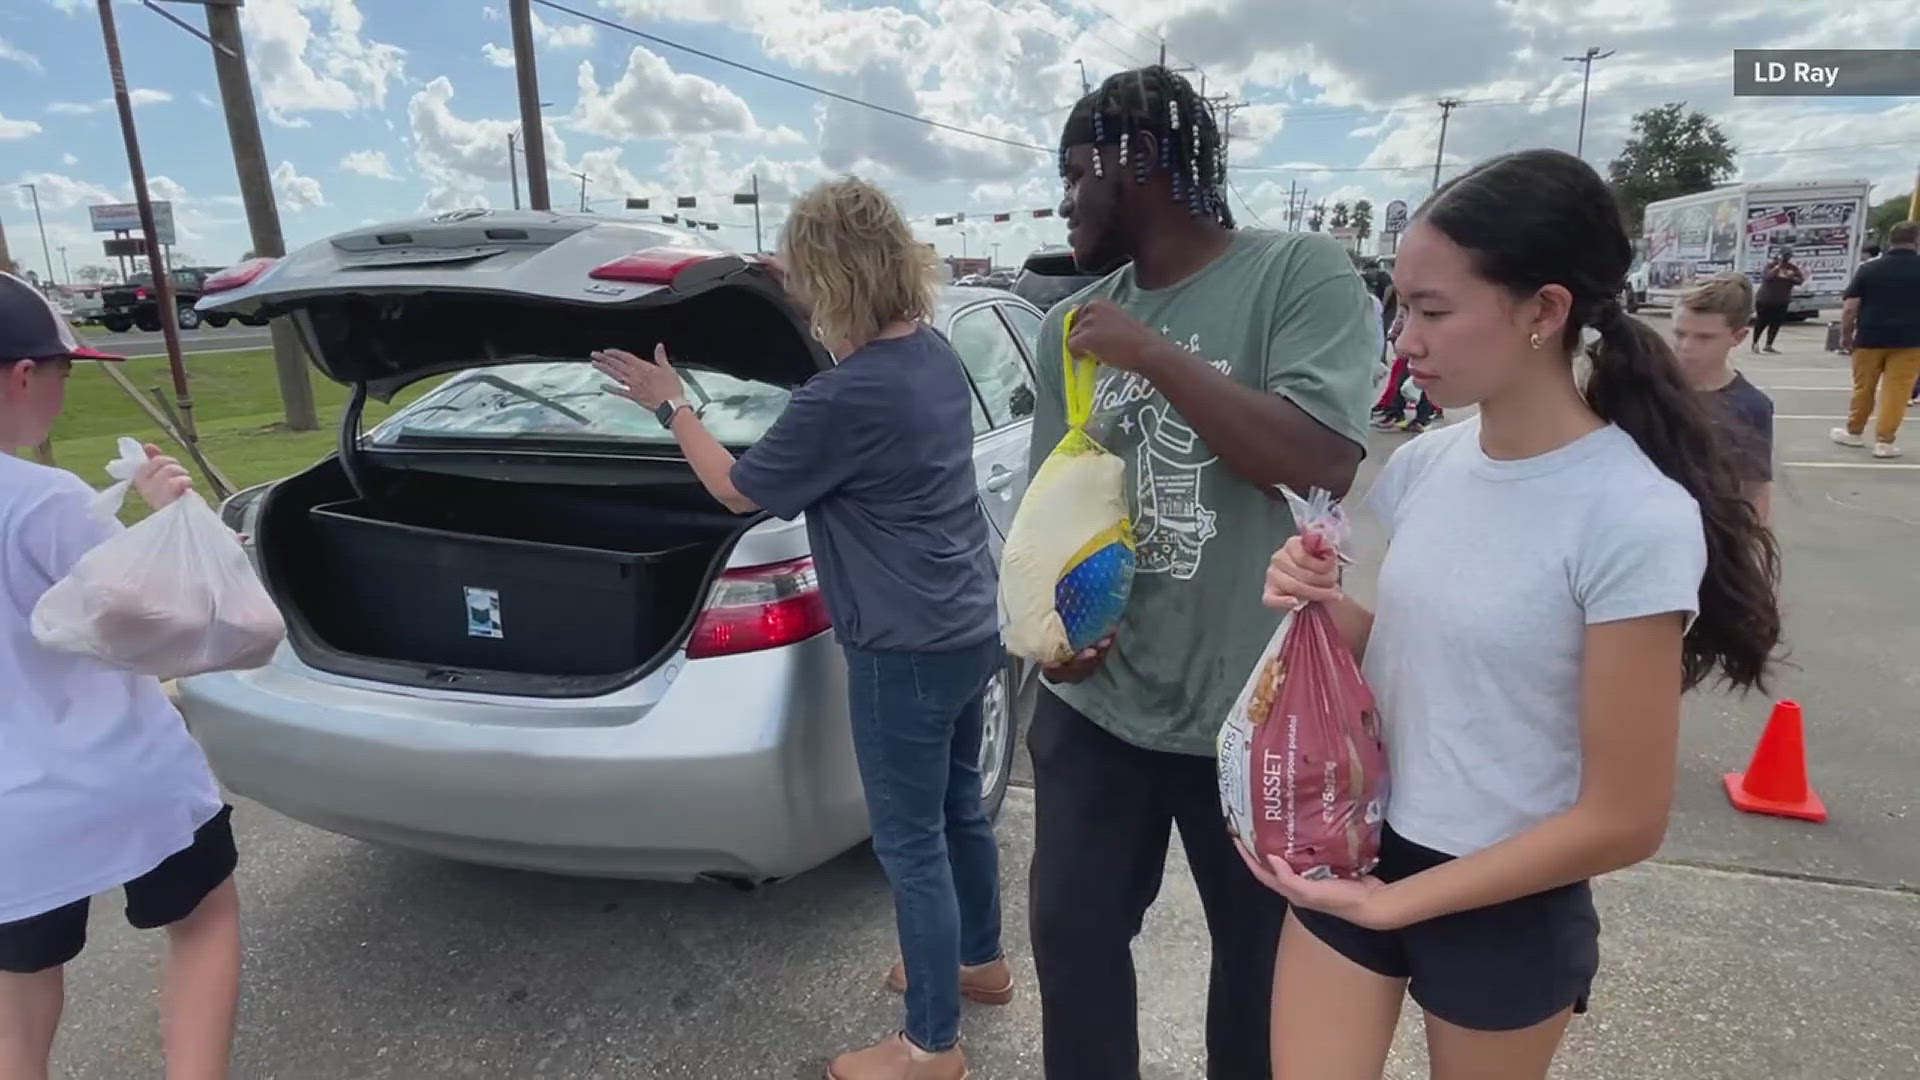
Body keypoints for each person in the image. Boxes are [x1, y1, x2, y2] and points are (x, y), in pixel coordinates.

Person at [1248, 150, 1780, 1080]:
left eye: (1433, 310)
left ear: (1545, 310)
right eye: (1401, 307)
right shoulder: (1423, 466)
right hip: (1361, 845)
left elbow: (1625, 817)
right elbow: (1417, 660)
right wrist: (1319, 611)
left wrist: (1402, 906)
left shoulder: (1631, 514)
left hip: (1509, 897)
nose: (1401, 341)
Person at [593, 178, 1005, 1080]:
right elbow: (857, 381)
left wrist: (671, 405)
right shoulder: (931, 353)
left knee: (911, 844)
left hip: (902, 648)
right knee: (957, 809)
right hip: (967, 624)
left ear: (834, 279)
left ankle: (931, 1046)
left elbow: (737, 488)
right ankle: (979, 962)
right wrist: (789, 278)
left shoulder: (841, 400)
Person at [1028, 66, 1379, 1080]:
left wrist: (1157, 356)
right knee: (1076, 949)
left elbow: (1319, 457)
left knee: (1260, 981)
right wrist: (1058, 633)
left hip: (1256, 714)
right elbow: (1066, 502)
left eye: (1074, 173)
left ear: (1138, 163)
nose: (1064, 202)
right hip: (1102, 712)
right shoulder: (1071, 325)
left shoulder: (1299, 275)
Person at [0, 271, 242, 1080]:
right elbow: (152, 628)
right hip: (123, 779)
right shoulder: (41, 499)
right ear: (23, 374)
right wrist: (168, 518)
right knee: (204, 919)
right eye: (63, 375)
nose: (62, 396)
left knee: (20, 989)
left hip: (9, 818)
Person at [1672, 274, 1774, 522]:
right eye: (1679, 333)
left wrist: (1751, 549)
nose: (1686, 346)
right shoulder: (1646, 389)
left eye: (1704, 337)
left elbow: (1755, 488)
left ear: (1738, 337)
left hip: (1712, 536)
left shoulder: (1750, 406)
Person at [1832, 221, 1920, 458]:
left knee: (1864, 388)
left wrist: (1845, 335)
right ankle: (1885, 442)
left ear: (1889, 240)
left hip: (1869, 337)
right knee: (1897, 392)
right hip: (1910, 341)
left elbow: (1850, 307)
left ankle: (1854, 432)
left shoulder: (1869, 269)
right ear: (1916, 240)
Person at [1751, 247, 1803, 354]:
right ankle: (1755, 342)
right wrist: (1777, 268)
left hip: (1781, 300)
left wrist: (1790, 277)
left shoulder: (1792, 268)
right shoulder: (1771, 266)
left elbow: (1800, 280)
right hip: (1765, 299)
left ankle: (1769, 344)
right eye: (1783, 256)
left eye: (1787, 257)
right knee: (1761, 322)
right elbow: (1766, 277)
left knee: (1776, 323)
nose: (1785, 259)